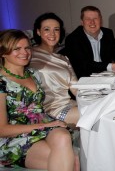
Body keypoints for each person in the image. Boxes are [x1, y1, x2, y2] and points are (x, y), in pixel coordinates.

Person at [0, 29, 77, 170]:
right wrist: (44, 126)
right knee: (71, 160)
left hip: (43, 126)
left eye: (27, 48)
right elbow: (2, 129)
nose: (24, 53)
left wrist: (47, 125)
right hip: (14, 137)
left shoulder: (33, 73)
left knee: (63, 137)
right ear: (4, 52)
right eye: (17, 49)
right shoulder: (1, 82)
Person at [30, 13, 79, 127]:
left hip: (70, 105)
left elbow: (76, 89)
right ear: (38, 32)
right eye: (46, 29)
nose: (52, 34)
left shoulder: (63, 58)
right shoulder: (28, 55)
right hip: (49, 111)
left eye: (56, 29)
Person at [61, 6, 115, 78]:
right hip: (85, 80)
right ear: (82, 22)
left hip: (107, 77)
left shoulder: (108, 33)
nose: (92, 22)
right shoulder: (73, 38)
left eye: (95, 18)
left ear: (100, 21)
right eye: (88, 19)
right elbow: (84, 65)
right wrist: (111, 66)